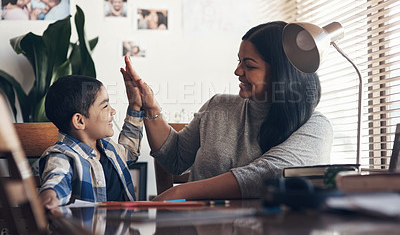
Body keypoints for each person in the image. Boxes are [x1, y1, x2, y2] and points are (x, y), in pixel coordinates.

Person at [124, 21, 333, 200]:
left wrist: (181, 192)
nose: (237, 71)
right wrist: (150, 107)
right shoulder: (218, 106)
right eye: (239, 61)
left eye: (249, 66)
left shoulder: (315, 126)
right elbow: (175, 159)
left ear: (281, 73)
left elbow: (271, 172)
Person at [39, 73, 144, 209]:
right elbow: (57, 179)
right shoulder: (62, 156)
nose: (113, 111)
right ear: (80, 121)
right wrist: (50, 196)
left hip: (123, 228)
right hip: (89, 230)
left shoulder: (108, 147)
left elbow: (129, 152)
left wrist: (135, 105)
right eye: (105, 106)